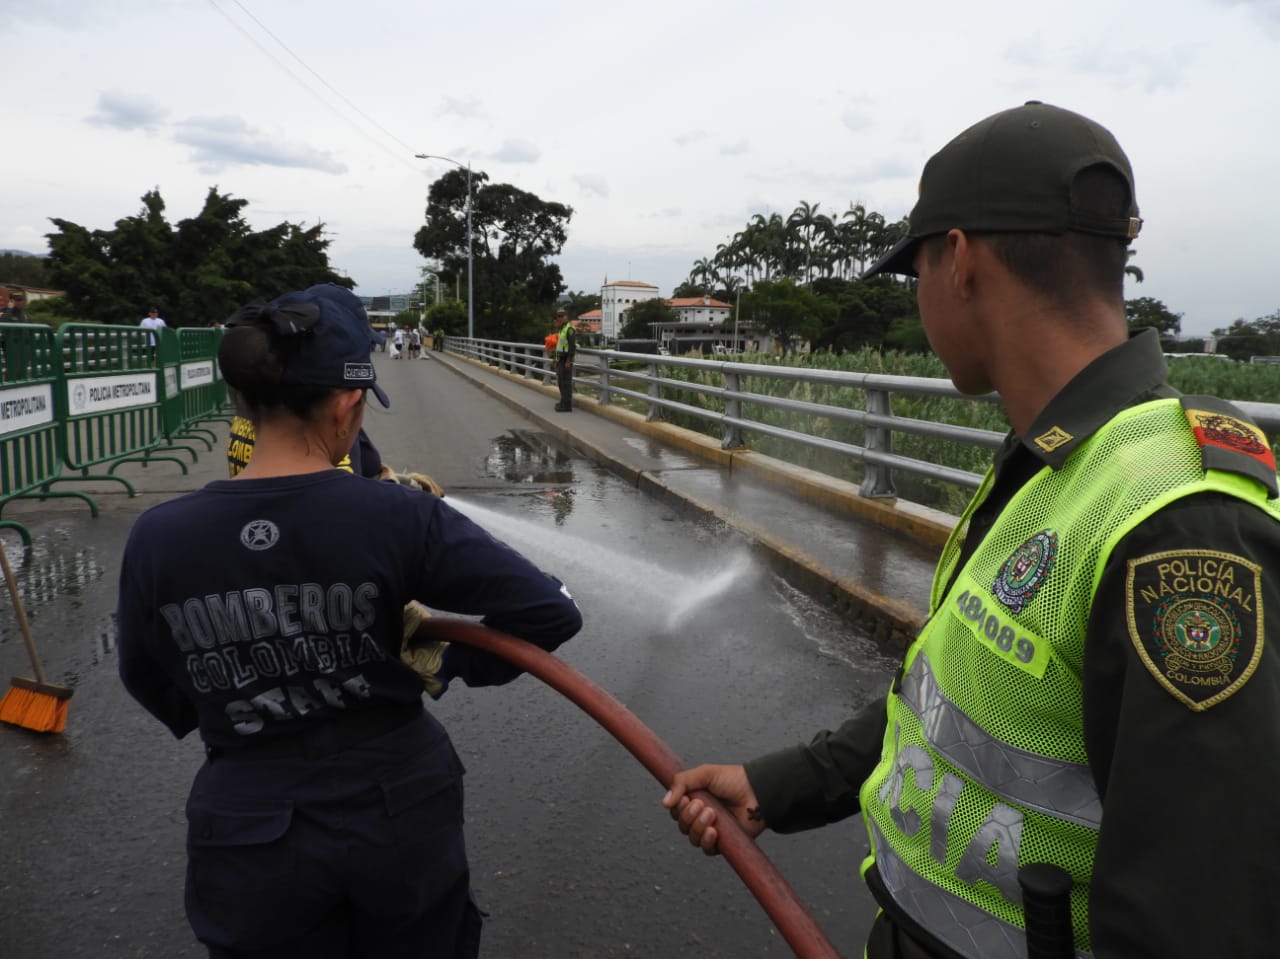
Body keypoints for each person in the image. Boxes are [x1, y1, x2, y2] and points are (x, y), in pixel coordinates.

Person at [663, 101, 1280, 959]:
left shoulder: (1181, 523)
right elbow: (958, 694)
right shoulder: (1055, 459)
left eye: (913, 268)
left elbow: (1201, 917)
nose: (917, 294)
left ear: (958, 261)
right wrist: (780, 785)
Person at [118, 282, 583, 958]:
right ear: (346, 406)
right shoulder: (398, 515)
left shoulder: (159, 537)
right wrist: (442, 661)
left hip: (247, 818)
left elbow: (148, 676)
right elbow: (549, 611)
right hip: (399, 806)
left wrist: (241, 697)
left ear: (242, 401)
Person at [553, 308, 577, 412]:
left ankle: (567, 405)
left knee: (566, 382)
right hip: (561, 359)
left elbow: (572, 346)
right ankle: (563, 402)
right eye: (558, 316)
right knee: (561, 382)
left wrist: (569, 360)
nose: (560, 318)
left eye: (562, 316)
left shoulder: (569, 329)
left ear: (566, 317)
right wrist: (555, 359)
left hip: (566, 360)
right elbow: (559, 346)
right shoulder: (561, 329)